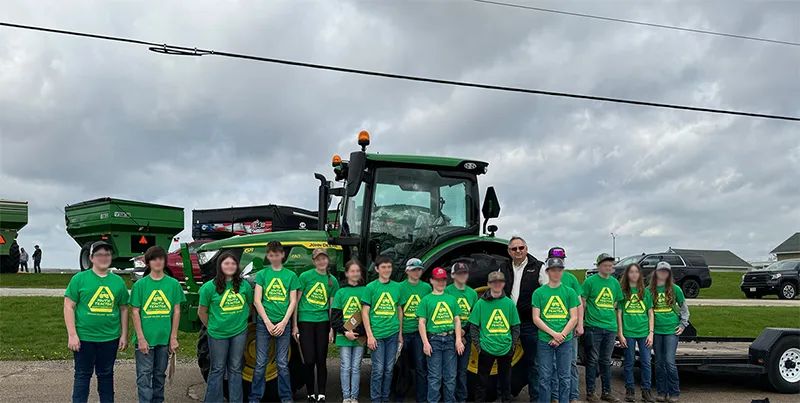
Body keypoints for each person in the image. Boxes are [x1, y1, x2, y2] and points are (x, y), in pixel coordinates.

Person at [64, 241, 129, 403]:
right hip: (84, 338)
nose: (104, 258)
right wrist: (72, 335)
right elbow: (69, 306)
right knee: (82, 376)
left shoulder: (118, 282)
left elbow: (124, 309)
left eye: (107, 254)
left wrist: (124, 335)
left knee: (106, 376)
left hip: (109, 338)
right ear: (91, 258)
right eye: (99, 254)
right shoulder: (79, 279)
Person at [130, 246, 185, 403]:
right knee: (144, 376)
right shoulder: (140, 285)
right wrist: (140, 338)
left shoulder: (173, 284)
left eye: (161, 258)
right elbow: (135, 312)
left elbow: (176, 312)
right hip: (145, 339)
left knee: (160, 375)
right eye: (154, 258)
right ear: (148, 262)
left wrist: (173, 337)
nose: (158, 261)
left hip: (164, 338)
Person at [198, 251, 253, 403]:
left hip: (239, 333)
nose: (230, 266)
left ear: (237, 266)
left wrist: (240, 321)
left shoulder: (244, 286)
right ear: (220, 266)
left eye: (233, 263)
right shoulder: (209, 287)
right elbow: (202, 312)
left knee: (236, 368)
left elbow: (249, 307)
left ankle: (236, 400)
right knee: (217, 368)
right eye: (226, 263)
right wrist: (212, 326)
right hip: (217, 334)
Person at [250, 240, 299, 403]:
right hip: (265, 325)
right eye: (271, 254)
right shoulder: (262, 275)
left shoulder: (291, 276)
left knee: (282, 363)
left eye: (277, 254)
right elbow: (257, 300)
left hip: (282, 325)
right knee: (260, 363)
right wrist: (268, 323)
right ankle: (255, 397)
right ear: (268, 256)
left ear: (282, 255)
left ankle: (286, 397)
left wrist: (284, 322)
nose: (274, 257)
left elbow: (293, 301)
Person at [293, 248, 339, 402]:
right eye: (318, 259)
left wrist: (332, 329)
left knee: (321, 359)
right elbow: (296, 303)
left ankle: (322, 394)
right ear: (313, 261)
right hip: (305, 321)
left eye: (324, 258)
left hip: (323, 322)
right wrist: (295, 325)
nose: (321, 261)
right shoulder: (305, 276)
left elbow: (332, 307)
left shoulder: (333, 280)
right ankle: (310, 393)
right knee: (309, 359)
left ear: (327, 260)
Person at [532, 257, 580, 403]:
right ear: (547, 272)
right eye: (553, 270)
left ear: (562, 271)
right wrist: (554, 334)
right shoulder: (539, 293)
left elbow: (574, 317)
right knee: (544, 377)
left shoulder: (569, 292)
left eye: (559, 270)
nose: (556, 273)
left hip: (565, 341)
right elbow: (536, 318)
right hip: (545, 340)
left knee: (565, 377)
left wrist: (562, 335)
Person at [469, 271, 521, 403]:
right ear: (489, 284)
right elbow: (473, 326)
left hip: (506, 349)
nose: (497, 284)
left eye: (500, 282)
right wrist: (479, 346)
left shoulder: (509, 304)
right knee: (481, 382)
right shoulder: (481, 304)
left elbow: (515, 327)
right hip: (486, 349)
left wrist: (512, 346)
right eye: (493, 282)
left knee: (505, 382)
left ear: (503, 284)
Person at [504, 236, 545, 402]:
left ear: (526, 249)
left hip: (529, 321)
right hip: (508, 322)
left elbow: (548, 292)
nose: (518, 251)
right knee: (505, 360)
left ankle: (535, 397)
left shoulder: (538, 267)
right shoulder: (503, 267)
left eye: (521, 248)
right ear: (509, 251)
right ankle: (505, 396)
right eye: (514, 249)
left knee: (533, 362)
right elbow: (495, 289)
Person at [417, 267, 464, 403]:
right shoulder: (426, 300)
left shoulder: (451, 299)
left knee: (450, 377)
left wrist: (458, 340)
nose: (441, 282)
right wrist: (425, 343)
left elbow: (457, 320)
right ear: (432, 281)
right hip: (434, 340)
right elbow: (422, 322)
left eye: (443, 279)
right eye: (437, 280)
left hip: (450, 340)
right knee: (434, 377)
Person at [582, 253, 623, 403]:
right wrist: (585, 320)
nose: (608, 267)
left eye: (610, 265)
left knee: (606, 360)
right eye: (605, 264)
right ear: (598, 265)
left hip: (610, 327)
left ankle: (607, 392)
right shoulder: (590, 282)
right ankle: (591, 392)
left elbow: (615, 302)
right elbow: (583, 301)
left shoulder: (614, 283)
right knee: (592, 360)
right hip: (593, 327)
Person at [361, 255, 403, 403]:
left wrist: (400, 334)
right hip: (377, 334)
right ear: (377, 269)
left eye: (389, 267)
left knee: (389, 369)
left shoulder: (397, 287)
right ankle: (376, 399)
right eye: (383, 267)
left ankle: (385, 399)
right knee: (378, 370)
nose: (387, 270)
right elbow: (365, 313)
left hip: (392, 333)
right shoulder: (371, 287)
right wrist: (369, 336)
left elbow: (399, 311)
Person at [545, 247, 583, 403]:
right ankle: (555, 396)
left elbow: (579, 302)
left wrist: (580, 323)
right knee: (552, 365)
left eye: (561, 260)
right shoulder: (544, 278)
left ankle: (572, 396)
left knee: (571, 363)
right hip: (550, 329)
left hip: (568, 328)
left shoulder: (571, 279)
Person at [649, 262, 689, 403]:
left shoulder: (675, 289)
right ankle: (661, 392)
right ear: (656, 272)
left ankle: (674, 392)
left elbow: (684, 309)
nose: (663, 273)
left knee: (669, 361)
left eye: (666, 271)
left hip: (671, 330)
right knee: (658, 362)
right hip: (656, 331)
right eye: (661, 271)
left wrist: (683, 325)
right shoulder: (650, 290)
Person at [617, 263, 655, 403]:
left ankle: (646, 391)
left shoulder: (646, 293)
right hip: (628, 333)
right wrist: (620, 333)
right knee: (629, 362)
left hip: (644, 332)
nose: (634, 274)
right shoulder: (623, 293)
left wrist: (651, 333)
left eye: (636, 272)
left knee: (646, 362)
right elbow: (619, 314)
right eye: (631, 272)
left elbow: (650, 313)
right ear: (627, 275)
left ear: (640, 275)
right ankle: (630, 390)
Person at [331, 260, 367, 403]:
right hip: (343, 335)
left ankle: (354, 396)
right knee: (346, 366)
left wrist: (358, 332)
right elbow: (335, 317)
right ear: (346, 273)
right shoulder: (341, 292)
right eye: (352, 271)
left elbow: (367, 315)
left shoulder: (365, 290)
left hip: (359, 335)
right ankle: (346, 397)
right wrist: (346, 332)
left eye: (357, 271)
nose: (355, 274)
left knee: (356, 367)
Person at [397, 258, 432, 403]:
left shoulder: (426, 288)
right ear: (407, 271)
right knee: (402, 368)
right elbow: (399, 312)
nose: (416, 272)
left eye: (418, 269)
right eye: (413, 269)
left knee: (420, 367)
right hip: (405, 332)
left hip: (419, 334)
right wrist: (399, 335)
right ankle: (399, 397)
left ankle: (422, 399)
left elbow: (429, 311)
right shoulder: (400, 287)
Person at [445, 262, 479, 403]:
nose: (462, 276)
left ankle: (462, 399)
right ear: (453, 275)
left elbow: (474, 315)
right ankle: (449, 399)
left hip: (466, 335)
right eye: (459, 273)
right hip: (450, 335)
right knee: (450, 373)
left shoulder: (472, 293)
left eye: (464, 273)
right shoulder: (447, 291)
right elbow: (444, 314)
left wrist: (464, 332)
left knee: (462, 371)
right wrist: (457, 333)